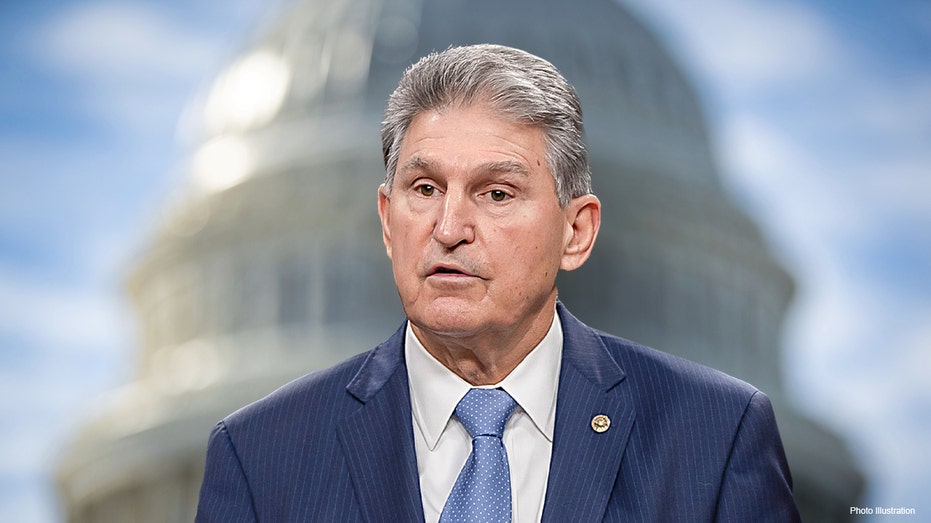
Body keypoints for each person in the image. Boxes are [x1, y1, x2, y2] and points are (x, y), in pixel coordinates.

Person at [196, 44, 800, 522]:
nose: (449, 227)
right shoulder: (260, 457)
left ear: (576, 232)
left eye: (497, 193)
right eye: (425, 189)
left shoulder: (714, 441)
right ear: (386, 221)